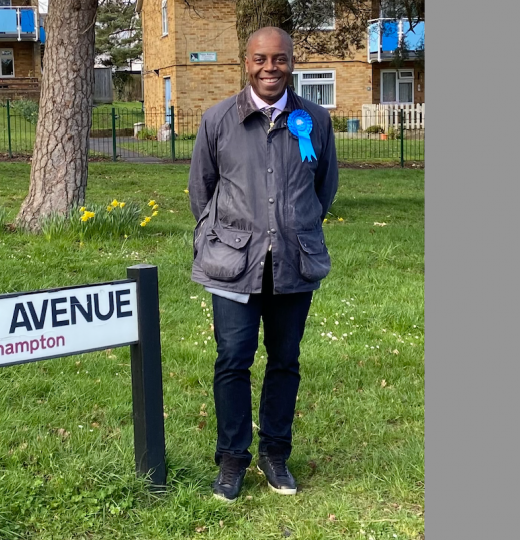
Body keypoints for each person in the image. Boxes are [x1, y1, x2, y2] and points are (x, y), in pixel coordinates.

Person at [188, 26, 339, 501]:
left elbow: (325, 188)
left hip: (294, 264)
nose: (269, 68)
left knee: (285, 360)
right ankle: (232, 459)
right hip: (233, 266)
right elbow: (202, 192)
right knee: (233, 360)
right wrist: (229, 238)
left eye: (279, 59)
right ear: (245, 61)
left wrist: (293, 227)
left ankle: (276, 454)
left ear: (292, 61)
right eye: (260, 59)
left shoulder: (314, 119)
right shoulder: (217, 120)